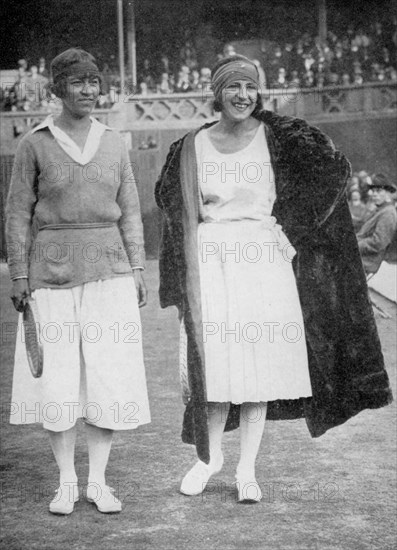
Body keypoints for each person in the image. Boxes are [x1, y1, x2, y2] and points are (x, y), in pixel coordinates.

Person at [155, 54, 392, 503]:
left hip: (263, 261)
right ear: (218, 92)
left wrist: (293, 225)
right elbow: (170, 203)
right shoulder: (192, 145)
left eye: (250, 87)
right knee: (217, 368)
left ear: (258, 92)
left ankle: (247, 469)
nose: (242, 96)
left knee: (257, 371)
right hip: (212, 261)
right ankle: (209, 460)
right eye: (233, 87)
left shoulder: (280, 138)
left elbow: (333, 171)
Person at [6, 48, 151, 515]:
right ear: (56, 89)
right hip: (50, 272)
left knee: (107, 376)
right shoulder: (35, 142)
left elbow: (130, 210)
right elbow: (16, 213)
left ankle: (99, 482)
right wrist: (19, 273)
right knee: (60, 380)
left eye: (94, 82)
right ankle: (66, 482)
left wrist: (137, 268)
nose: (89, 90)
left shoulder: (114, 141)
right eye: (77, 82)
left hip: (109, 268)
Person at [356, 174, 397, 274]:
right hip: (361, 259)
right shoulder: (379, 210)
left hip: (367, 263)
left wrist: (354, 245)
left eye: (378, 191)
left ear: (388, 193)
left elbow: (378, 242)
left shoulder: (388, 213)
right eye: (373, 191)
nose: (374, 194)